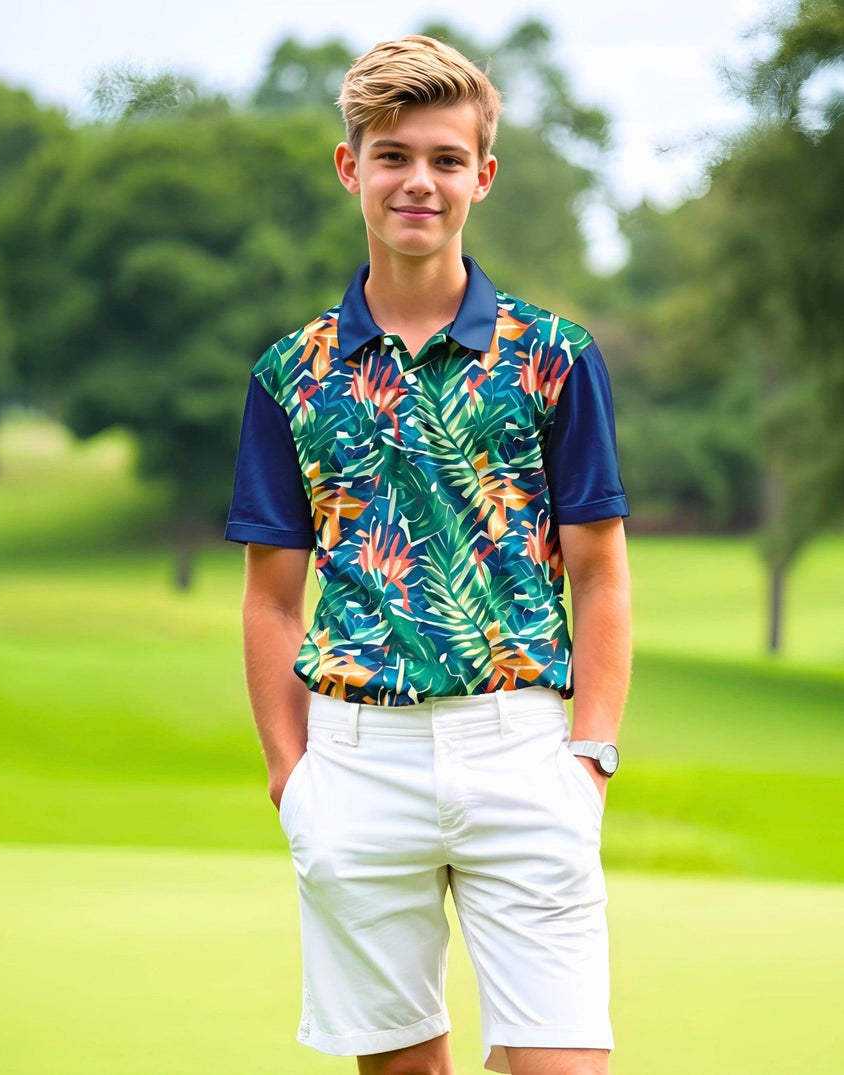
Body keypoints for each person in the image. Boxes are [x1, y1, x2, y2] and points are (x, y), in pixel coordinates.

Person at [225, 34, 631, 1075]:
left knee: (563, 1064)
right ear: (348, 165)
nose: (419, 181)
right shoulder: (290, 375)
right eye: (393, 154)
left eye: (446, 159)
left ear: (481, 176)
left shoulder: (554, 356)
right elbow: (273, 599)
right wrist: (290, 776)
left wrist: (589, 753)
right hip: (355, 761)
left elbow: (597, 570)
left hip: (525, 750)